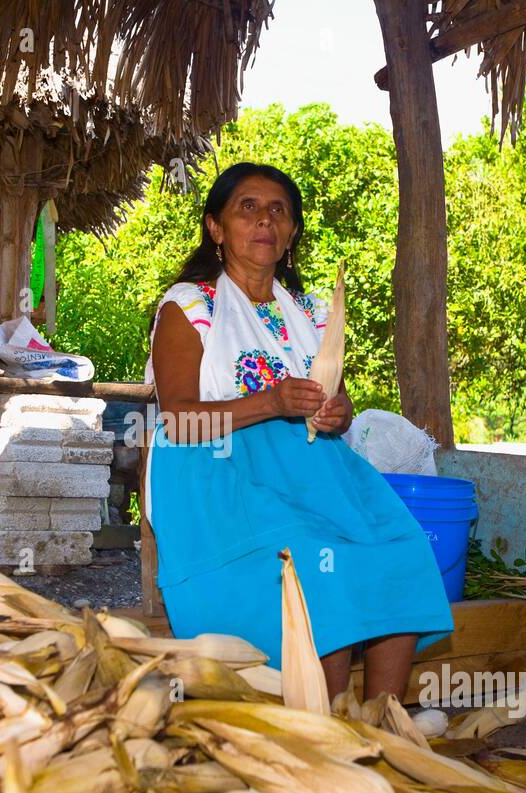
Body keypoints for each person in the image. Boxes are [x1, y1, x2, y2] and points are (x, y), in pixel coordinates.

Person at [143, 161, 454, 703]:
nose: (265, 220)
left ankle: (385, 717)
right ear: (215, 227)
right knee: (316, 556)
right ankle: (325, 721)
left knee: (401, 545)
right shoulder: (190, 306)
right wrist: (272, 402)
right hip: (216, 469)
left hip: (314, 466)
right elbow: (177, 419)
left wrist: (338, 413)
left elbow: (337, 399)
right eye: (248, 207)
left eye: (278, 211)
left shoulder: (310, 313)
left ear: (291, 235)